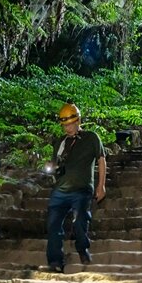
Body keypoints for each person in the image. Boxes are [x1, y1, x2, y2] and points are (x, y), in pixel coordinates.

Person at [43, 103, 107, 273]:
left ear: (78, 120)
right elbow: (56, 164)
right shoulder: (61, 142)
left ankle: (82, 248)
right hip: (61, 189)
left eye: (70, 123)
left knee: (80, 221)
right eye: (64, 124)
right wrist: (52, 167)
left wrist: (101, 186)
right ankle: (55, 261)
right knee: (53, 223)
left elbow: (101, 160)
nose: (67, 128)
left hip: (82, 188)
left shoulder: (91, 138)